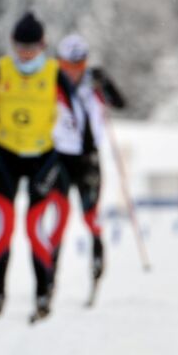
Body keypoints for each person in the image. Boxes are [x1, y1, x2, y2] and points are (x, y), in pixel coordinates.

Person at [0, 12, 76, 323]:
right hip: (6, 157)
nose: (25, 55)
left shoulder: (55, 75)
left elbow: (76, 123)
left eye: (31, 49)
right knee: (5, 228)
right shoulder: (1, 72)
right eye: (20, 48)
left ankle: (43, 294)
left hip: (43, 158)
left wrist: (67, 164)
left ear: (43, 46)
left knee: (33, 226)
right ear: (12, 46)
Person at [50, 34, 112, 288]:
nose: (74, 70)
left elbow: (120, 102)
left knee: (90, 217)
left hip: (88, 159)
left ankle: (97, 263)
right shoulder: (51, 83)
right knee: (60, 218)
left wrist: (104, 83)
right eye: (69, 65)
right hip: (60, 158)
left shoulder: (93, 82)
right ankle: (49, 275)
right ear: (60, 63)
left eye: (80, 64)